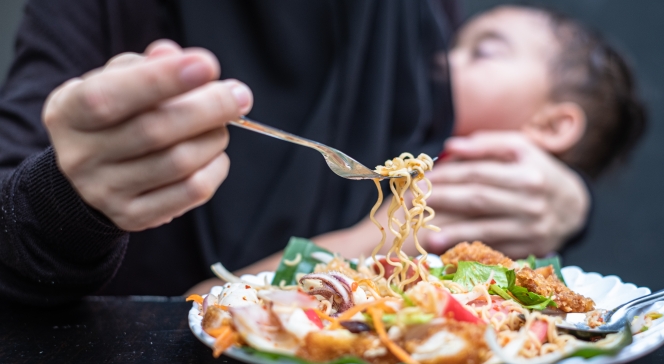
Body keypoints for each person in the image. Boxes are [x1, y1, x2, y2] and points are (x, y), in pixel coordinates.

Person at [0, 0, 591, 305]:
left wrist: (568, 205)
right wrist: (68, 196)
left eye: (482, 53)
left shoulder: (417, 22)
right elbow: (207, 304)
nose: (446, 67)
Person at [222, 5, 646, 287]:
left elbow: (232, 294)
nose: (441, 59)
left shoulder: (452, 196)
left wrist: (376, 235)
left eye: (483, 52)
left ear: (552, 124)